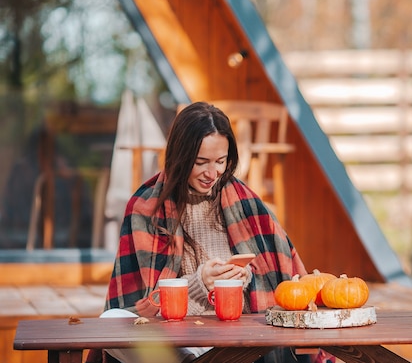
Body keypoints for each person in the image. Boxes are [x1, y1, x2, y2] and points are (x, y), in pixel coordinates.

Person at [87, 102, 319, 363]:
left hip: (238, 339)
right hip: (176, 340)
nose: (213, 173)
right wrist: (198, 285)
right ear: (180, 157)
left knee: (273, 332)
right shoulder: (146, 207)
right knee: (112, 322)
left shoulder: (247, 204)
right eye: (201, 162)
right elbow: (143, 309)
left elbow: (278, 290)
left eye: (221, 161)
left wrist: (242, 280)